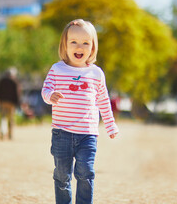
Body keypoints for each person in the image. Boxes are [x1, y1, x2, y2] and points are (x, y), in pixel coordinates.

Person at [41, 19, 119, 204]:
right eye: (73, 41)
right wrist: (50, 95)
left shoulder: (96, 73)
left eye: (86, 42)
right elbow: (45, 89)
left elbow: (103, 101)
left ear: (92, 47)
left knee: (85, 173)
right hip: (62, 133)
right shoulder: (57, 69)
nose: (79, 46)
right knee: (62, 175)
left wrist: (110, 125)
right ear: (65, 45)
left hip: (88, 135)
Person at [0, 67, 21, 140]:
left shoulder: (2, 81)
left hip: (3, 102)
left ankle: (2, 133)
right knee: (11, 119)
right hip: (11, 103)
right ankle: (10, 134)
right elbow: (17, 93)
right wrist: (17, 102)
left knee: (3, 118)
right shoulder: (14, 81)